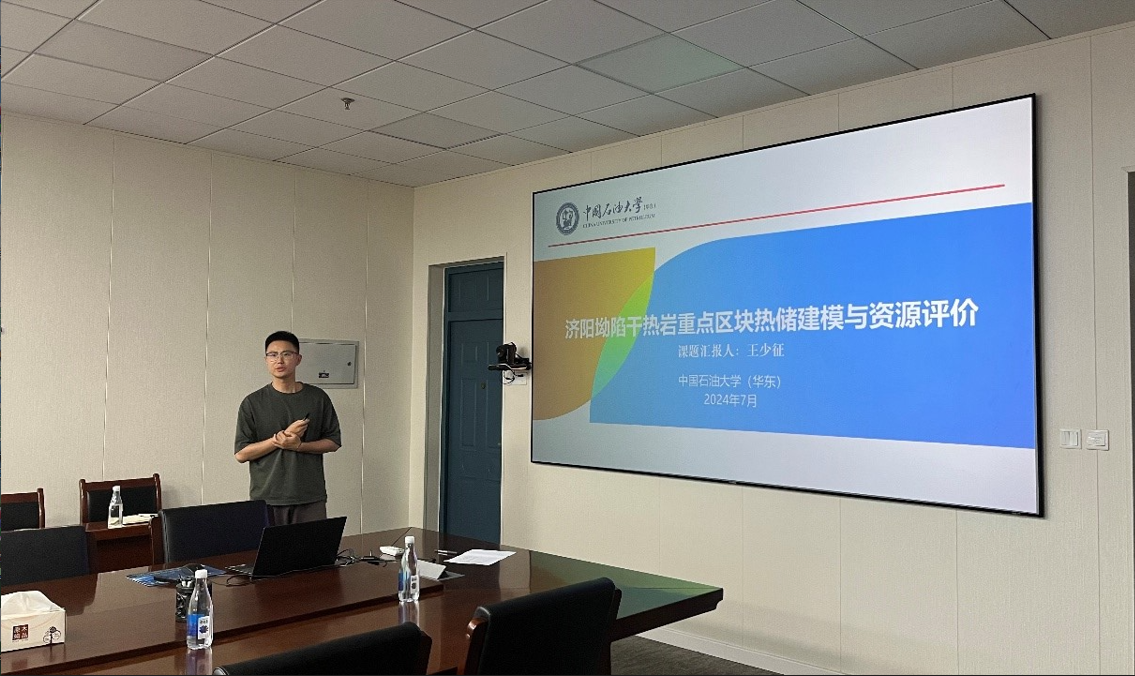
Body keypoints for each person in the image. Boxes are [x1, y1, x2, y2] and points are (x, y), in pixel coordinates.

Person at [235, 330, 341, 525]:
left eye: (286, 354)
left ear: (298, 359)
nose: (279, 360)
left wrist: (299, 446)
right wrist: (281, 438)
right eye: (273, 355)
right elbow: (241, 454)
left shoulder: (318, 398)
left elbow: (333, 442)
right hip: (268, 498)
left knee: (313, 546)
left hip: (310, 497)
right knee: (271, 546)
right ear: (266, 360)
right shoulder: (252, 403)